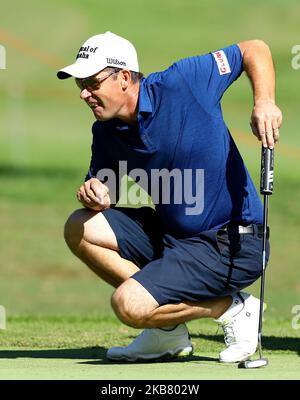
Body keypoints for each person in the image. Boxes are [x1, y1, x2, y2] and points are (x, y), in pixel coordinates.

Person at [57, 31, 282, 363]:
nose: (84, 94)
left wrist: (264, 101)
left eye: (91, 83)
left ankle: (234, 309)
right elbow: (107, 191)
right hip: (175, 239)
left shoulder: (183, 82)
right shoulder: (105, 132)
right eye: (80, 86)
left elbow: (254, 49)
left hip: (233, 242)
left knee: (128, 304)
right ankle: (167, 332)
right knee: (80, 226)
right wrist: (95, 195)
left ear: (123, 78)